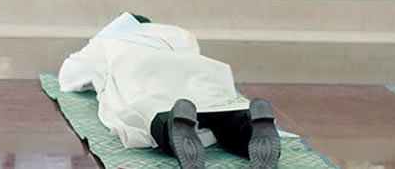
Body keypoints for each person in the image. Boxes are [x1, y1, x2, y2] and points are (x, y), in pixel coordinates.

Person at [59, 13, 282, 169]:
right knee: (215, 105)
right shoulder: (176, 33)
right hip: (198, 67)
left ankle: (169, 124)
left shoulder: (110, 40)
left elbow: (69, 75)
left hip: (139, 67)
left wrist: (99, 40)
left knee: (143, 107)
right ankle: (246, 122)